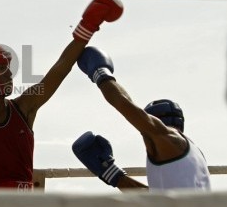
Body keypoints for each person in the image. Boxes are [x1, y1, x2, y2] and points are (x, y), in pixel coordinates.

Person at [0, 0, 124, 191]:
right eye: (0, 68)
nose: (9, 74)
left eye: (8, 67)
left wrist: (88, 26)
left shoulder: (24, 107)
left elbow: (61, 68)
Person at [72, 46, 211, 191]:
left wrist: (100, 74)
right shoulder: (194, 154)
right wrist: (113, 175)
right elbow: (159, 198)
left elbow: (122, 102)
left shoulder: (164, 137)